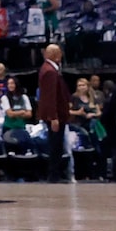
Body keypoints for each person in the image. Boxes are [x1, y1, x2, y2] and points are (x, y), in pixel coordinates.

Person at [37, 46, 72, 183]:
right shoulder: (50, 71)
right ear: (53, 54)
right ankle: (54, 175)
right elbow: (50, 96)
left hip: (57, 113)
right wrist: (54, 117)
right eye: (59, 53)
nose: (61, 55)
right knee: (55, 144)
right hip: (56, 115)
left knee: (56, 144)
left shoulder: (48, 69)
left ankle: (55, 173)